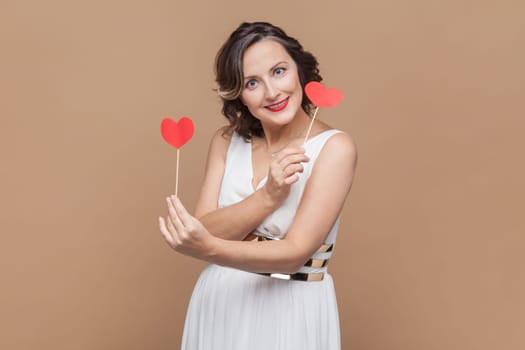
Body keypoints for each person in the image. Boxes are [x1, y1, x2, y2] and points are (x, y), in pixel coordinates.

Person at [159, 21, 357, 350]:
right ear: (239, 95)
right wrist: (267, 198)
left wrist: (208, 249)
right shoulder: (226, 141)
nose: (272, 92)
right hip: (221, 301)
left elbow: (294, 254)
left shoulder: (335, 148)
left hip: (291, 308)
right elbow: (206, 225)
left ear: (300, 71)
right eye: (253, 82)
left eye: (279, 71)